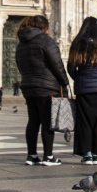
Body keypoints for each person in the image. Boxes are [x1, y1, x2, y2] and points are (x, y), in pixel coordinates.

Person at [15, 14, 69, 166]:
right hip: (46, 87)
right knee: (47, 122)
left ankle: (32, 155)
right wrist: (64, 82)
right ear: (44, 27)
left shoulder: (21, 43)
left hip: (28, 86)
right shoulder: (46, 40)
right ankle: (48, 156)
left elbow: (19, 64)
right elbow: (57, 64)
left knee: (33, 121)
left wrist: (28, 78)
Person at [66, 17, 97, 165]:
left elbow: (70, 68)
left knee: (84, 122)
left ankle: (87, 154)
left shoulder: (77, 45)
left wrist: (80, 78)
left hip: (83, 89)